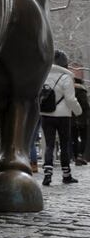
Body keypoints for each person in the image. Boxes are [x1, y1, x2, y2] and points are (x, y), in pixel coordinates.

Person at [41, 50, 83, 186]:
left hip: (46, 115)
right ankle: (66, 174)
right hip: (63, 116)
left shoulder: (43, 75)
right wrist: (78, 111)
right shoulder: (66, 77)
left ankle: (47, 174)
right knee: (65, 145)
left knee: (49, 145)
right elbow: (70, 99)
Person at [73, 77, 88, 166]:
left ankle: (75, 157)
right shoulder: (82, 91)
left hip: (71, 118)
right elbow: (85, 105)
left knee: (73, 138)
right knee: (83, 138)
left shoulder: (69, 90)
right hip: (81, 119)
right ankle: (80, 156)